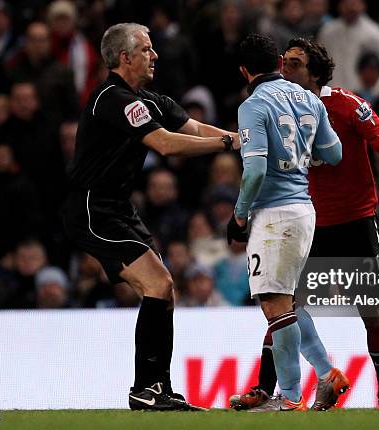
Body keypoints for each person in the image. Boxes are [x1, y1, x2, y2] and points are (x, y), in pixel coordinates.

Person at [61, 23, 239, 411]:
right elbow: (166, 144)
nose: (154, 55)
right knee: (158, 283)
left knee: (163, 290)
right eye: (146, 49)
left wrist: (241, 137)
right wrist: (229, 143)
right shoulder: (112, 98)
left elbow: (193, 127)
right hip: (92, 209)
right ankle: (146, 389)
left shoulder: (150, 101)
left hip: (120, 209)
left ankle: (157, 387)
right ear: (124, 58)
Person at [230, 38, 379, 411]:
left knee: (371, 311)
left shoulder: (346, 105)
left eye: (295, 64)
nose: (286, 69)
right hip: (310, 222)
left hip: (355, 221)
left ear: (315, 71)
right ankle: (268, 388)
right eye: (285, 62)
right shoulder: (285, 103)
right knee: (281, 302)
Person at [227, 34, 344, 412]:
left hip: (275, 216)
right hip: (304, 209)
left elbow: (256, 167)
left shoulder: (253, 105)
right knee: (287, 303)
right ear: (279, 61)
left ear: (245, 70)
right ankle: (327, 375)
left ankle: (291, 398)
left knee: (275, 306)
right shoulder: (309, 98)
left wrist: (240, 213)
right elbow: (334, 152)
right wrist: (300, 158)